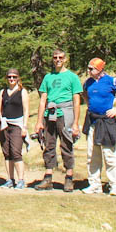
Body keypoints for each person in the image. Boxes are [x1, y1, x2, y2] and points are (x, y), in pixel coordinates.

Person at [34, 48, 82, 192]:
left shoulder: (72, 77)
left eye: (60, 57)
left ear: (65, 59)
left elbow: (76, 100)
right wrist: (39, 121)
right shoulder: (48, 77)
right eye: (55, 57)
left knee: (66, 144)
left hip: (65, 112)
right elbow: (43, 100)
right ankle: (48, 177)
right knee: (49, 144)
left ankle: (69, 177)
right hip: (50, 113)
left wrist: (75, 123)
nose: (58, 60)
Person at [81, 57, 116, 196]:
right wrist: (89, 106)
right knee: (92, 154)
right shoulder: (88, 83)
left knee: (109, 154)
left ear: (100, 69)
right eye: (88, 68)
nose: (89, 71)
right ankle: (94, 184)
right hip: (92, 121)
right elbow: (85, 95)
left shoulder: (111, 81)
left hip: (107, 122)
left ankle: (115, 186)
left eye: (92, 68)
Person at [0, 68, 30, 188]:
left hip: (17, 124)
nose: (12, 79)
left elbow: (26, 110)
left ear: (18, 78)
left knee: (16, 152)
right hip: (4, 125)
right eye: (9, 77)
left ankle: (21, 180)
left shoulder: (22, 92)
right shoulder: (3, 92)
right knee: (7, 153)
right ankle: (10, 179)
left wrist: (24, 127)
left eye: (14, 77)